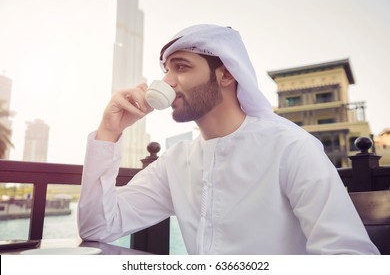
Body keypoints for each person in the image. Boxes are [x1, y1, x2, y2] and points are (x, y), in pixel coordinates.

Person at [78, 24, 379, 255]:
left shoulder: (291, 148)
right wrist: (109, 132)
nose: (166, 81)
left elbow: (348, 257)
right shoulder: (176, 162)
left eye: (181, 67)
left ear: (225, 75)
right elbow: (98, 227)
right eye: (166, 70)